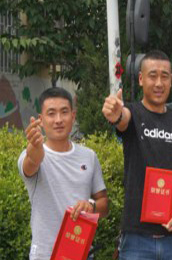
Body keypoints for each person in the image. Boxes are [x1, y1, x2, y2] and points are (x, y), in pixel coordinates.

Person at [102, 50, 172, 260]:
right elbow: (122, 119)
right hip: (136, 239)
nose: (159, 83)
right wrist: (116, 115)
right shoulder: (133, 113)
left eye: (165, 76)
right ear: (141, 79)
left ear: (171, 81)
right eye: (152, 76)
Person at [18, 87, 109, 260]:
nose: (58, 120)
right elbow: (32, 163)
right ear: (41, 120)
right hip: (44, 255)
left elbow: (104, 205)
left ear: (73, 116)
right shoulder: (29, 155)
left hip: (81, 253)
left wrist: (91, 206)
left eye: (64, 112)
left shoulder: (89, 156)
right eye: (51, 113)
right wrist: (35, 148)